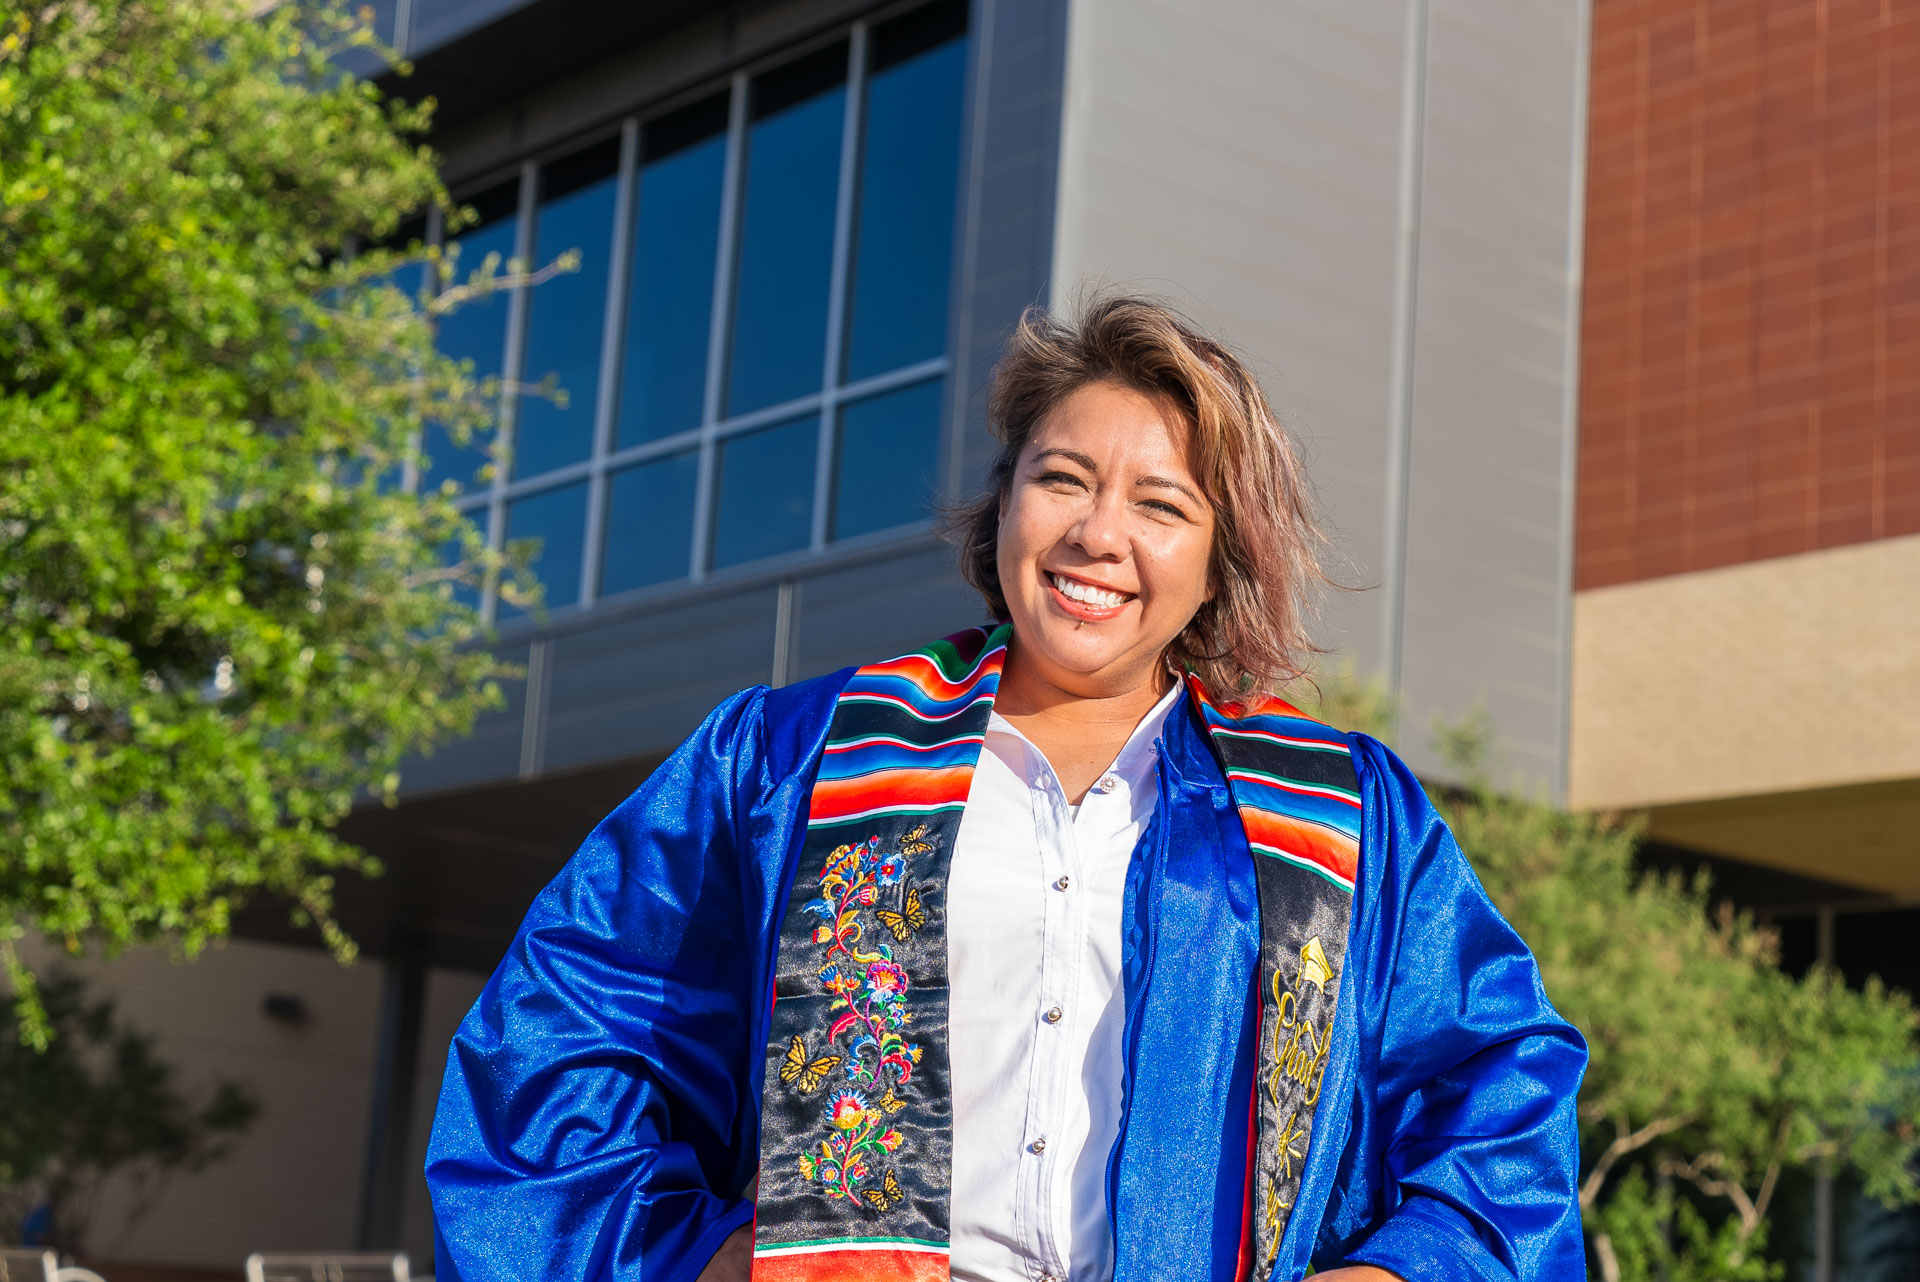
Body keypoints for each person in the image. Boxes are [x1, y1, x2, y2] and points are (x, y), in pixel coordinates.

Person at [425, 296, 1588, 1281]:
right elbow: (563, 1032)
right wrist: (705, 1257)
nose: (1098, 533)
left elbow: (1501, 1093)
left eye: (1161, 504)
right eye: (1063, 479)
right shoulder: (795, 759)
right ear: (1006, 504)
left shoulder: (1344, 818)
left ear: (1220, 558)